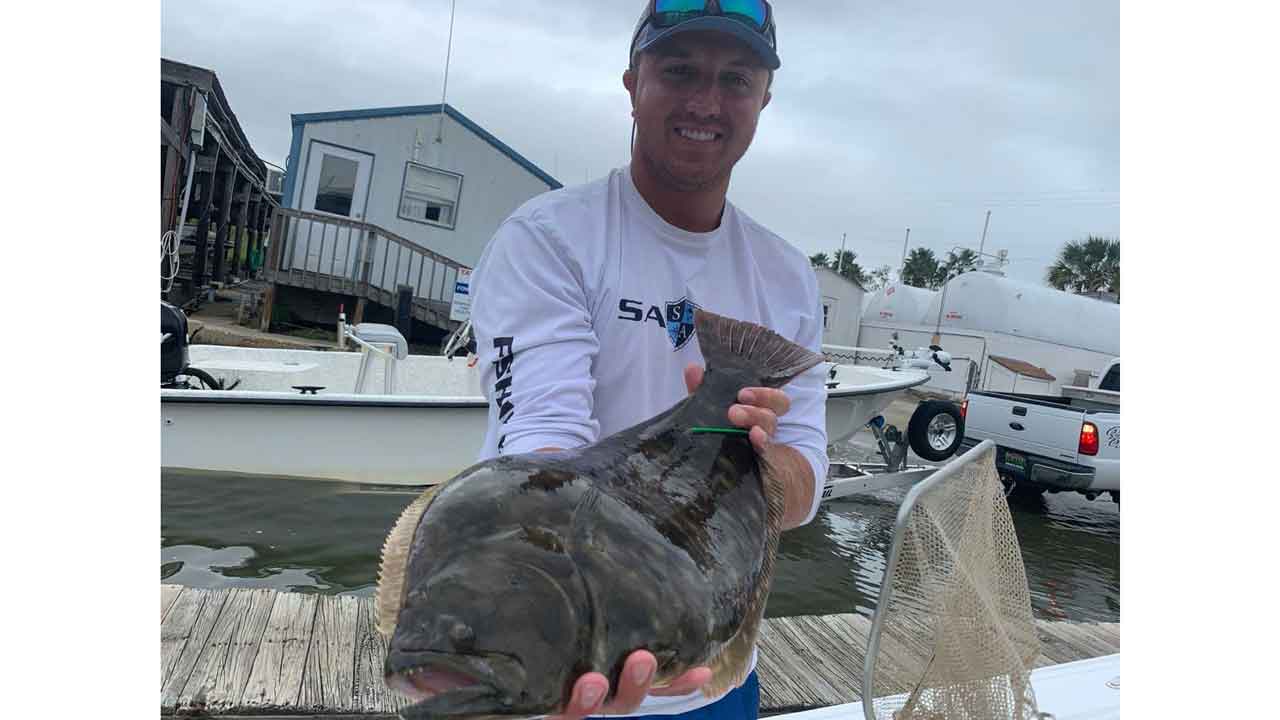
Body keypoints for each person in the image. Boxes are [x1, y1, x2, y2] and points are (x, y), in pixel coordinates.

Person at [468, 2, 828, 718]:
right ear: (633, 83)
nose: (706, 102)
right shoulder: (549, 238)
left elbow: (807, 482)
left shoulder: (789, 278)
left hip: (715, 671)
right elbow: (539, 446)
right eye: (680, 71)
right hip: (551, 650)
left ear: (764, 98)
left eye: (735, 79)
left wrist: (753, 461)